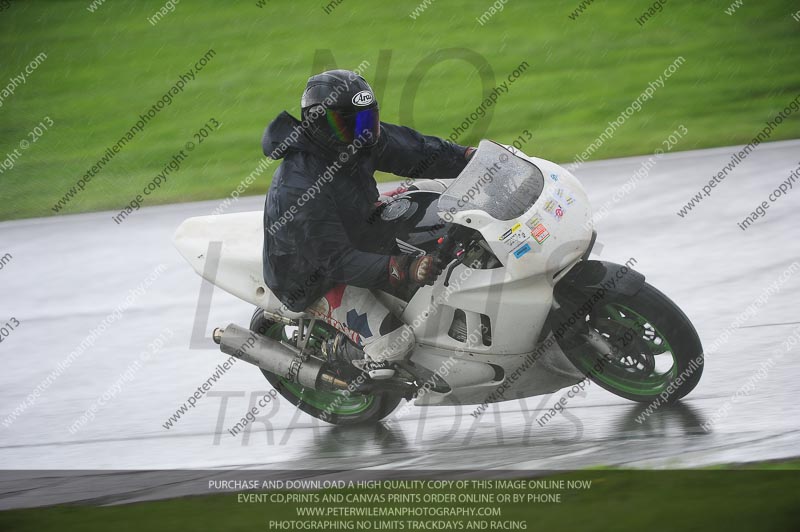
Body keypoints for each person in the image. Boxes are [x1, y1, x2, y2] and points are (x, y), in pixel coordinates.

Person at [261, 69, 473, 379]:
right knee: (395, 344)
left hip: (358, 228)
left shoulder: (358, 139)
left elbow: (419, 153)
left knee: (438, 198)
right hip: (312, 276)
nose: (362, 130)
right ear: (317, 123)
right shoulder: (299, 186)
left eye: (367, 119)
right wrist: (401, 267)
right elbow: (333, 260)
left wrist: (471, 158)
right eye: (348, 123)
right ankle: (352, 362)